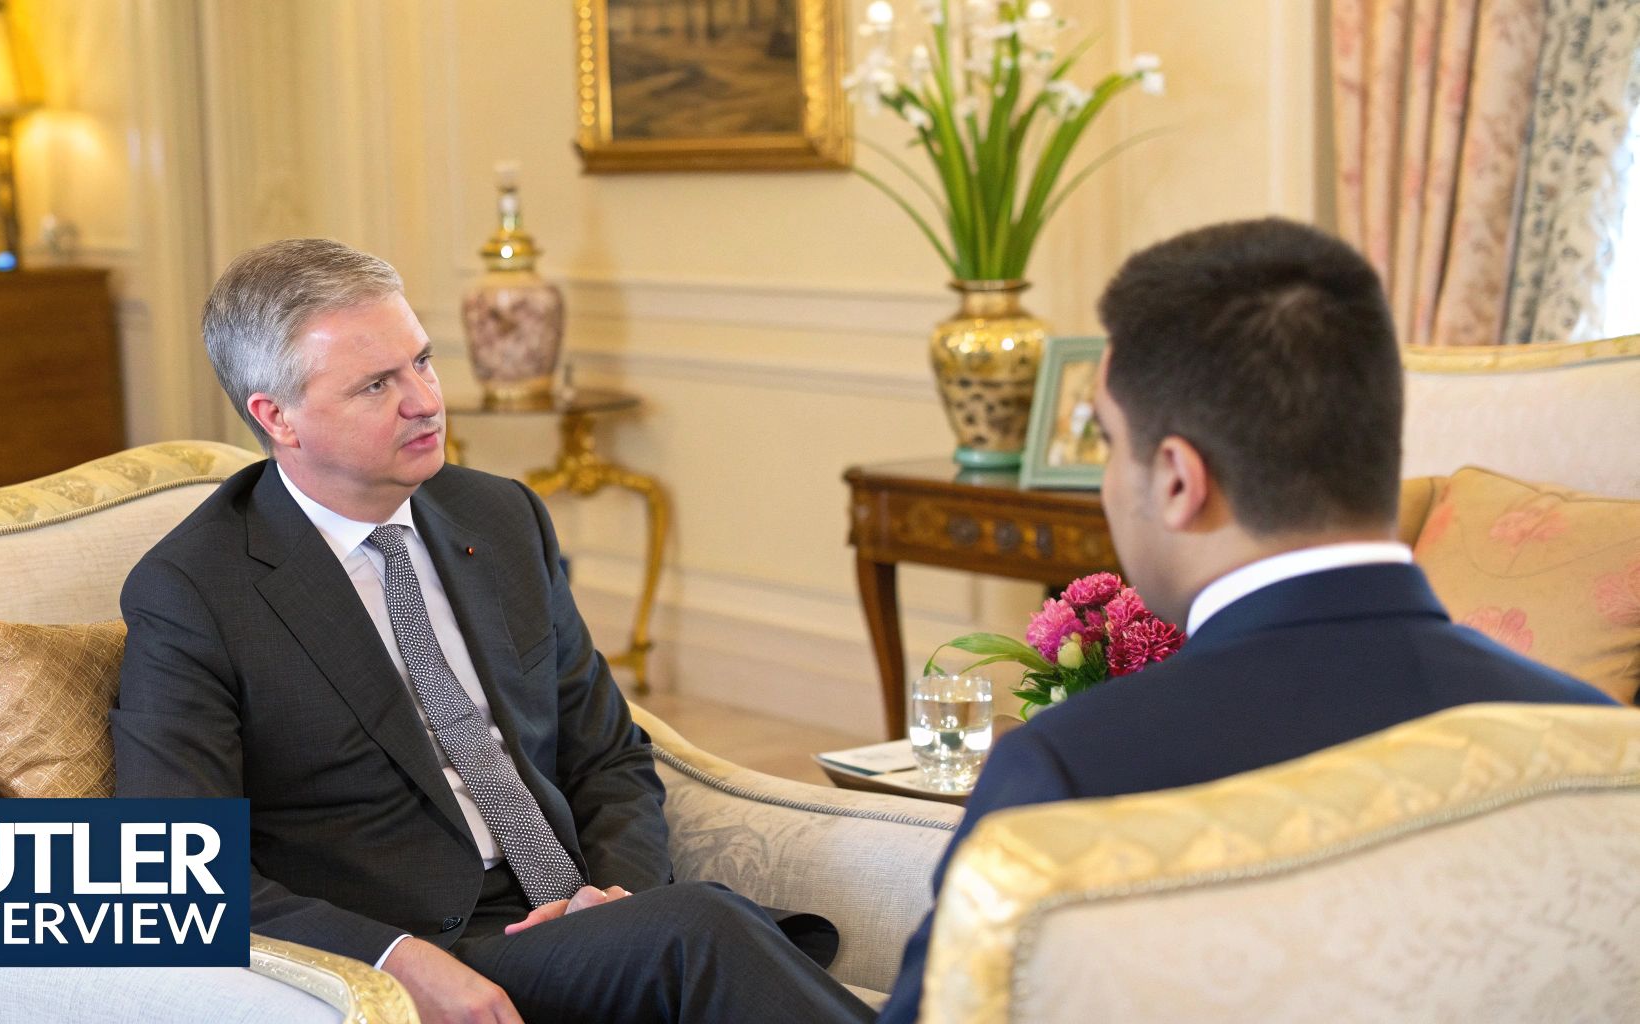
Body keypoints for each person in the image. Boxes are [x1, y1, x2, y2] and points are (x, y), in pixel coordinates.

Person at [112, 238, 873, 1024]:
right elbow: (174, 870)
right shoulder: (195, 590)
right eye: (377, 384)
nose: (425, 401)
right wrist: (398, 962)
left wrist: (616, 900)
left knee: (705, 931)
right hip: (428, 944)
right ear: (279, 418)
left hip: (580, 917)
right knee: (709, 929)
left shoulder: (500, 515)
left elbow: (606, 752)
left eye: (423, 362)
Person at [878, 218, 1615, 1023]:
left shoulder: (1067, 776)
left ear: (1178, 481)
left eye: (1110, 443)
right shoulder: (1596, 740)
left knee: (714, 938)